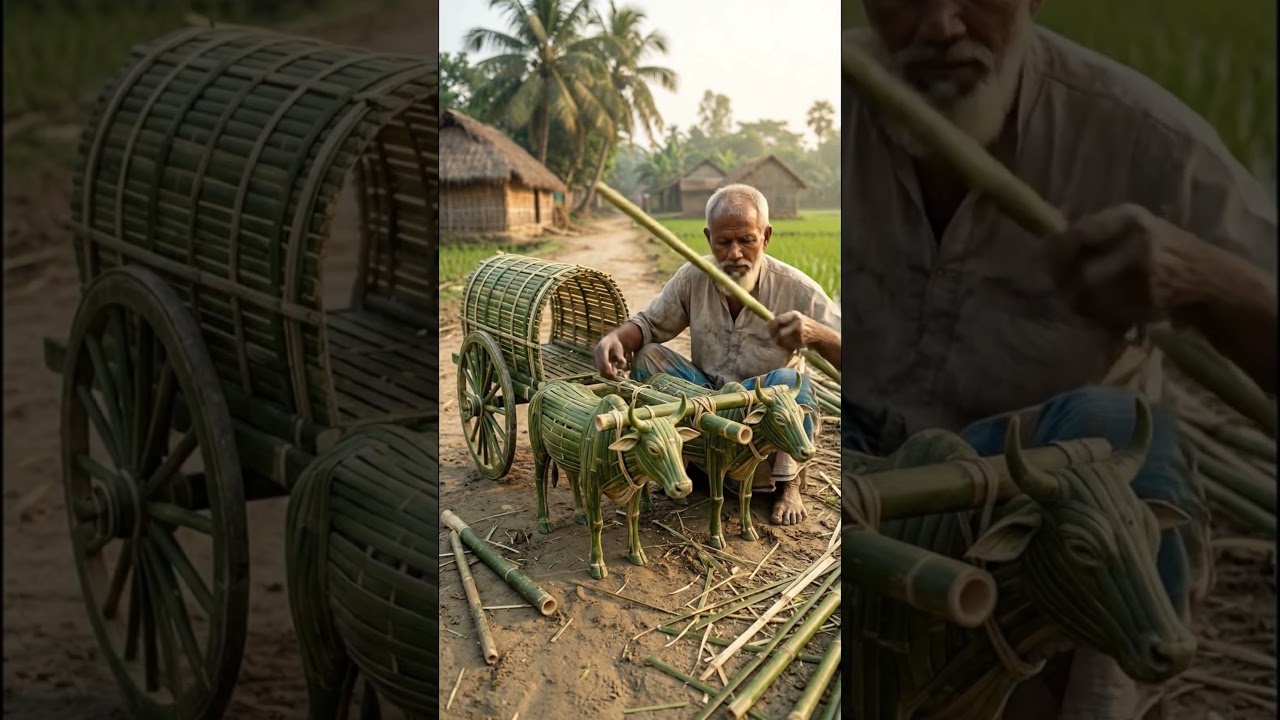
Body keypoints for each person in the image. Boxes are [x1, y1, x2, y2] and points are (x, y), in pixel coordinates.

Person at [844, 0, 1275, 717]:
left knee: (1120, 432)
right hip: (860, 481)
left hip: (1039, 499)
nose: (943, 25)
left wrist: (1204, 278)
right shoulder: (834, 98)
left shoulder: (1139, 137)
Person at [593, 183, 841, 526]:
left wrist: (816, 333)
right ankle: (690, 458)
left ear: (766, 236)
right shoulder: (693, 277)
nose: (735, 254)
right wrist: (615, 339)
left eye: (747, 241)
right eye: (724, 242)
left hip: (763, 410)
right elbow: (649, 325)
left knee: (791, 382)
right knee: (648, 356)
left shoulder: (797, 288)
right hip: (707, 399)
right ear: (709, 238)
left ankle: (789, 484)